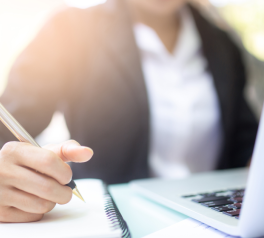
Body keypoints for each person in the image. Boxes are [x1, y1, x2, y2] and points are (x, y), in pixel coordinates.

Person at [0, 0, 258, 222]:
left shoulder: (222, 43)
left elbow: (245, 143)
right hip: (112, 219)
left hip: (213, 218)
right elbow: (8, 127)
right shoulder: (69, 30)